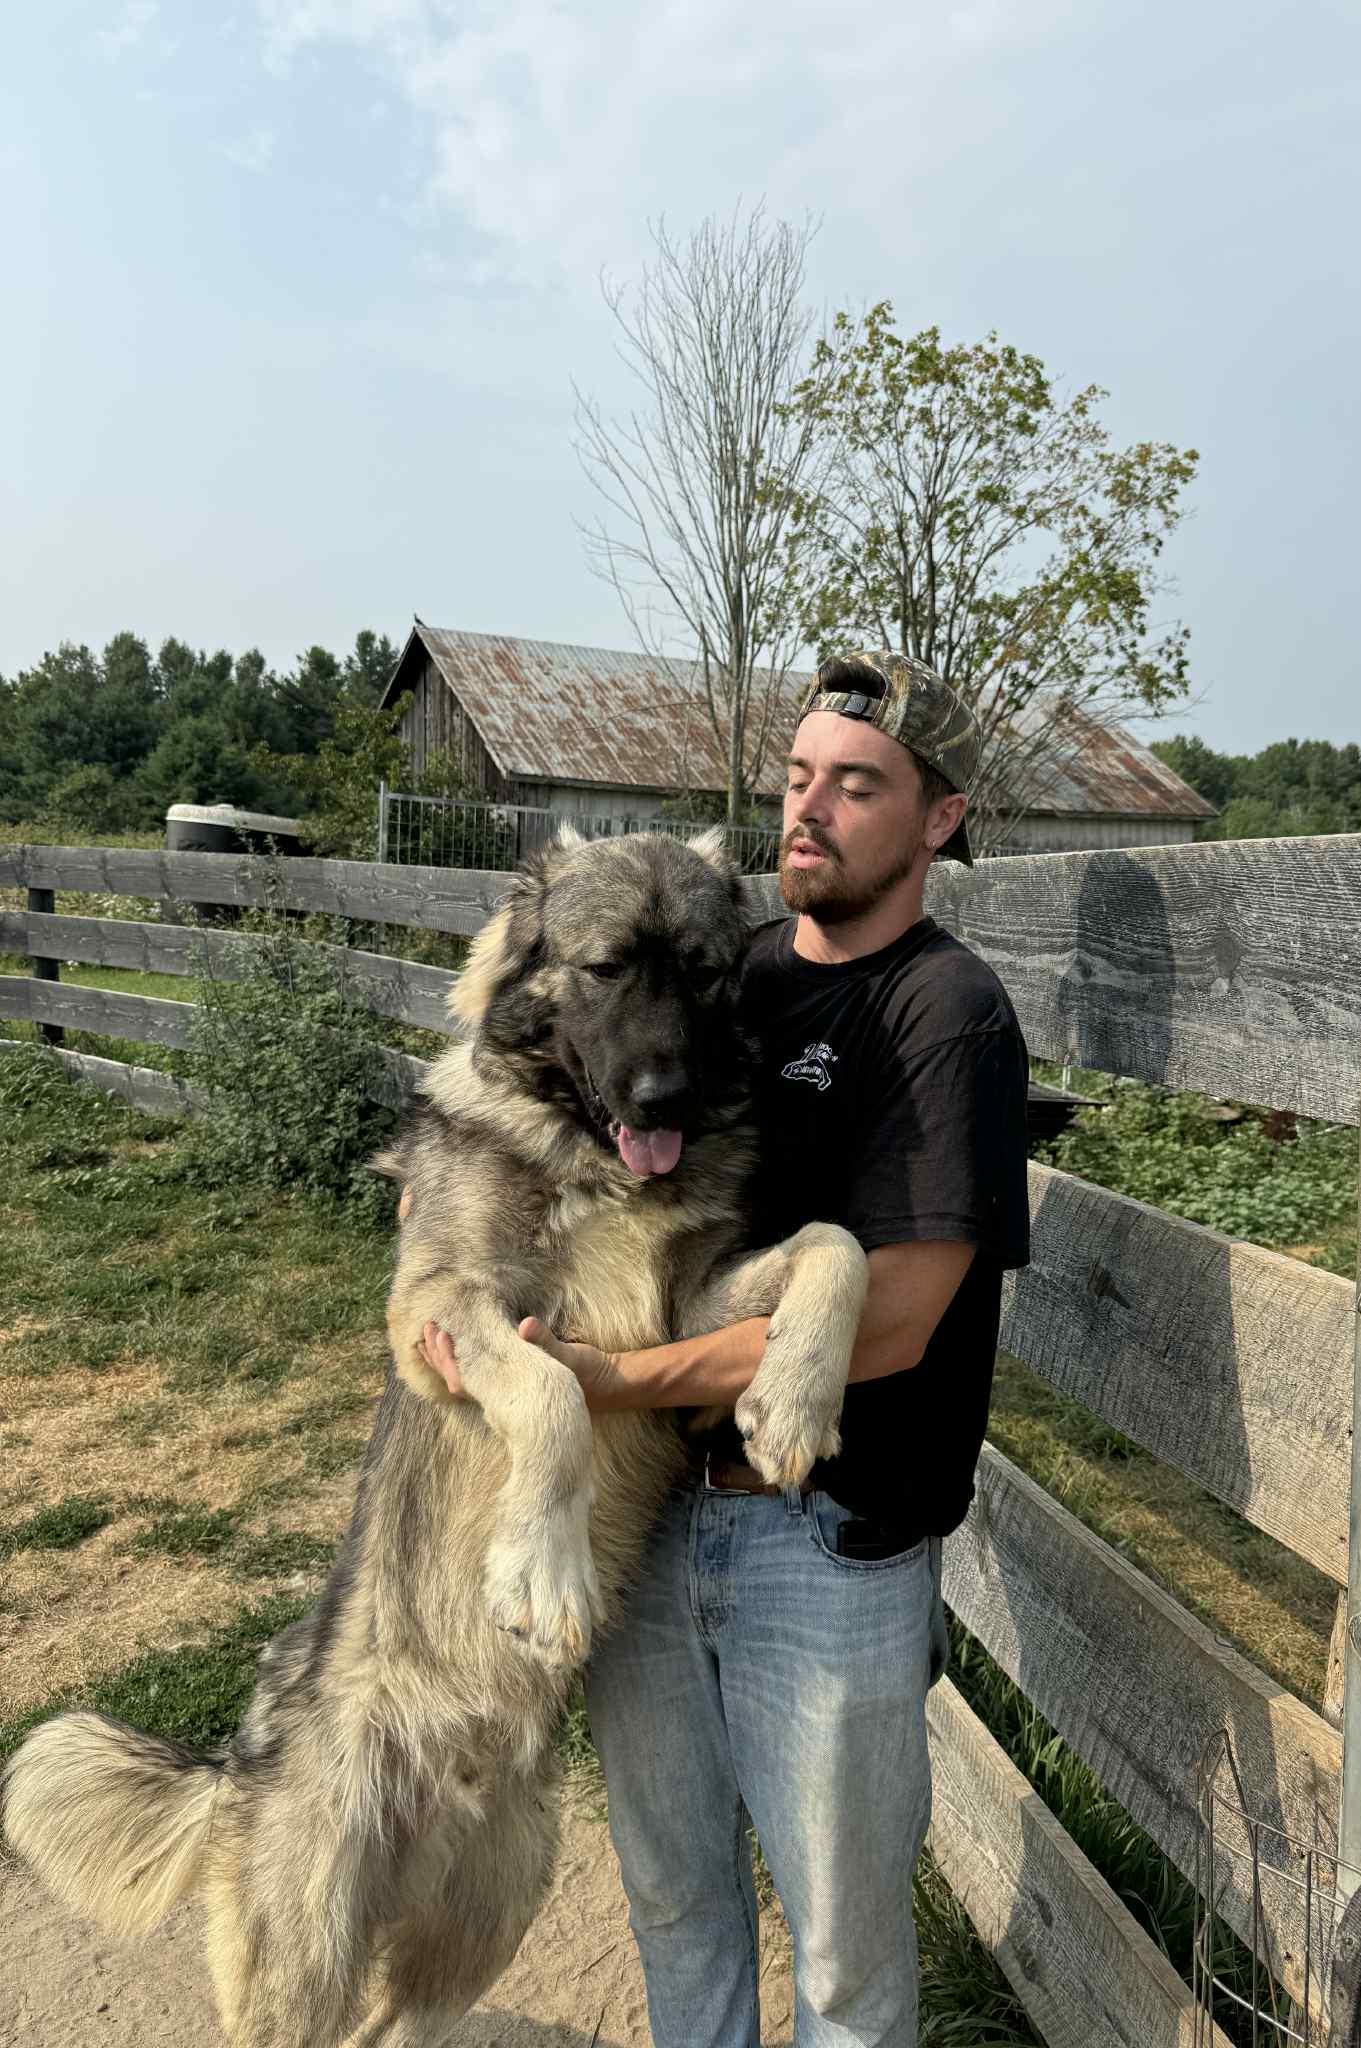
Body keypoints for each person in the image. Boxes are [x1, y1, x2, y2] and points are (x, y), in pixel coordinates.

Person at [417, 650, 1030, 2048]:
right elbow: (539, 1067)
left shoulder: (946, 1014)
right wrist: (447, 1179)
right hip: (656, 1521)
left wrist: (613, 1385)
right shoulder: (724, 964)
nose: (809, 811)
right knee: (678, 1902)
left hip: (823, 1542)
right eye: (801, 778)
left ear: (939, 819)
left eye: (858, 786)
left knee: (842, 1961)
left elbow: (894, 1324)